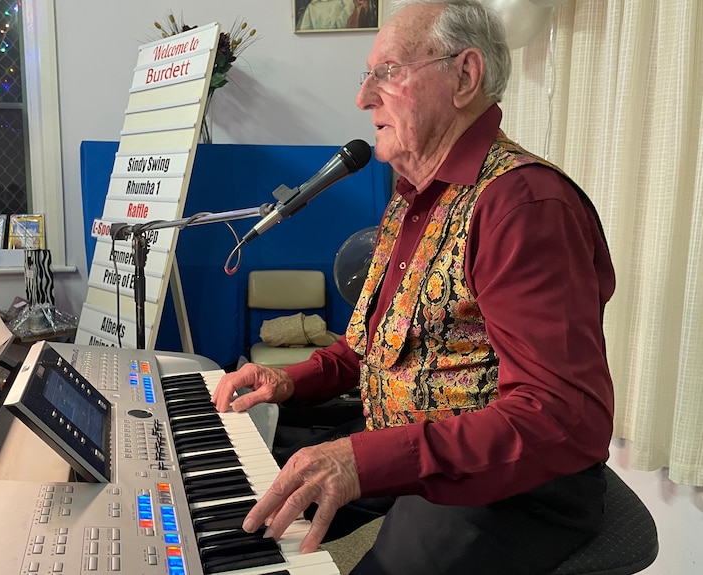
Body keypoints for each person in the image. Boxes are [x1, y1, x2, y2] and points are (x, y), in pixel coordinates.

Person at [212, 0, 616, 573]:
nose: (363, 97)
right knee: (243, 499)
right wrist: (288, 379)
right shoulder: (412, 197)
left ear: (465, 76)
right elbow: (371, 347)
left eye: (388, 72)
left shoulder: (522, 205)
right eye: (366, 75)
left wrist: (362, 460)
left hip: (512, 487)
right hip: (409, 435)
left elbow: (559, 418)